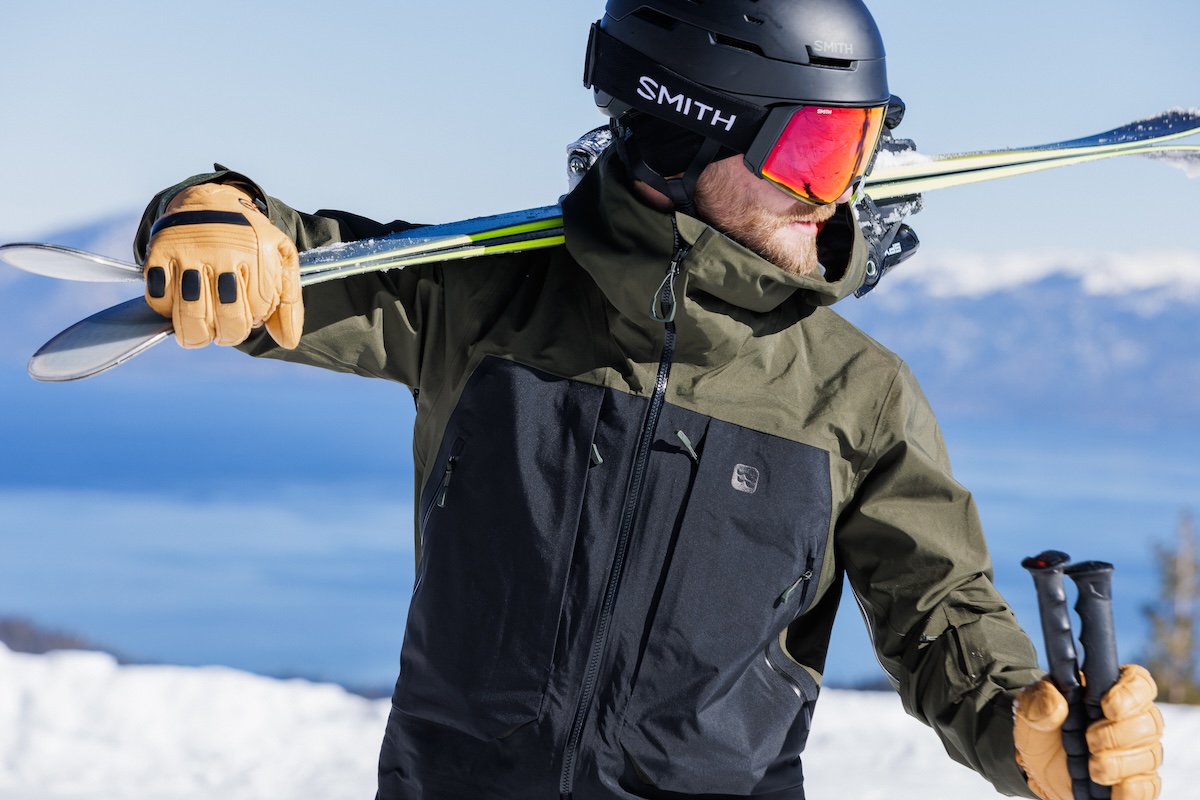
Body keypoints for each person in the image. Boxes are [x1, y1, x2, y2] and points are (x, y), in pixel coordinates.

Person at [134, 1, 1164, 798]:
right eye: (813, 151)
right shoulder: (485, 305)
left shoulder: (856, 395)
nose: (840, 193)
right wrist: (210, 215)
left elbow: (943, 616)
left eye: (858, 148)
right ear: (687, 138)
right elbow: (287, 267)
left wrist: (1021, 727)